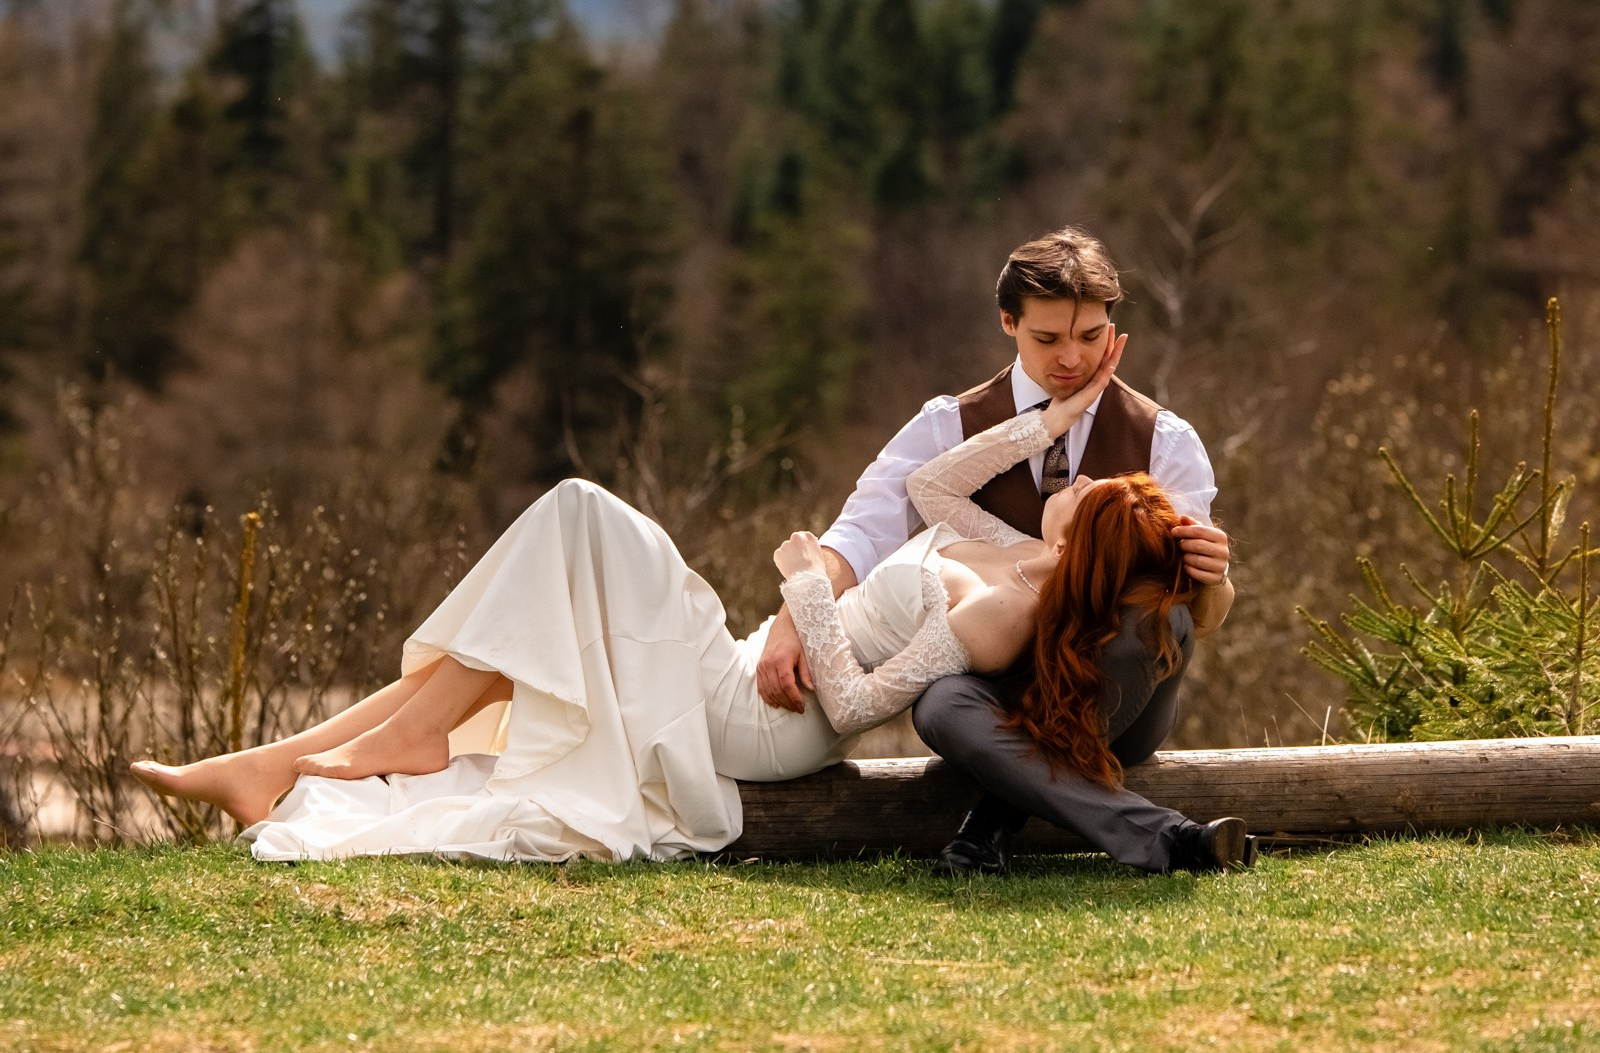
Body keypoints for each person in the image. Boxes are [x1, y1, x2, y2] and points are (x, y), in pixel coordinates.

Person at [128, 322, 1245, 870]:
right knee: (569, 552)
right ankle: (287, 763)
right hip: (747, 664)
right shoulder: (1004, 545)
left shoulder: (1003, 612)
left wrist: (806, 587)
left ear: (1084, 536)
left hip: (765, 723)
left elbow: (861, 705)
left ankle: (384, 744)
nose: (1072, 476)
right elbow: (929, 484)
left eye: (1086, 486)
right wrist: (1056, 413)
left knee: (579, 514)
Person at [755, 223, 1246, 875]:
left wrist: (1215, 580)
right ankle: (1164, 837)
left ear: (1113, 329)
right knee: (940, 705)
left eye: (1090, 336)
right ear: (1008, 322)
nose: (1071, 358)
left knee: (1162, 617)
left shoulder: (1165, 440)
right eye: (1048, 338)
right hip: (995, 694)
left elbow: (1199, 619)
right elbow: (862, 534)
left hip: (1112, 693)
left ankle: (990, 821)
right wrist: (792, 619)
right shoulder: (947, 426)